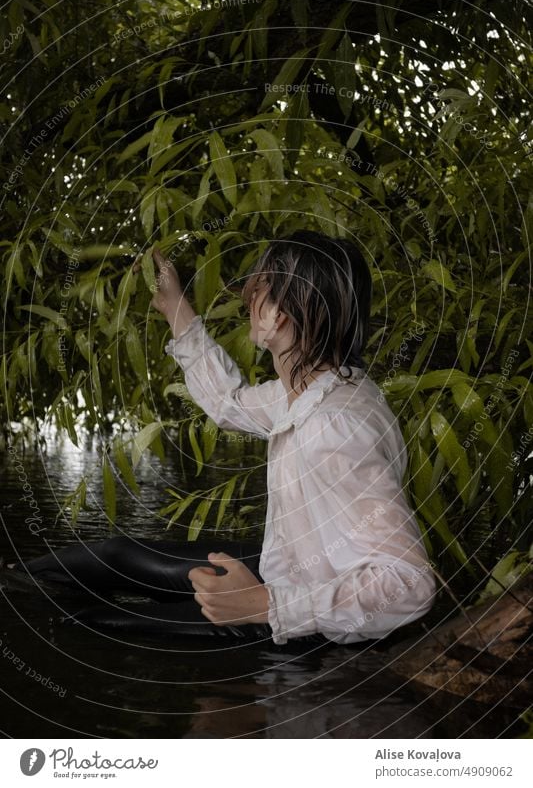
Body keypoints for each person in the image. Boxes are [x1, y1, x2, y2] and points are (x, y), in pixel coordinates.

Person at [11, 229, 437, 645]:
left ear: (278, 314)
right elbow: (228, 402)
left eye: (257, 293)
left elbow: (409, 583)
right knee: (115, 556)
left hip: (305, 618)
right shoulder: (314, 393)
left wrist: (265, 605)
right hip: (291, 572)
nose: (248, 302)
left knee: (99, 622)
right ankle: (10, 580)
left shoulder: (335, 427)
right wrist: (176, 308)